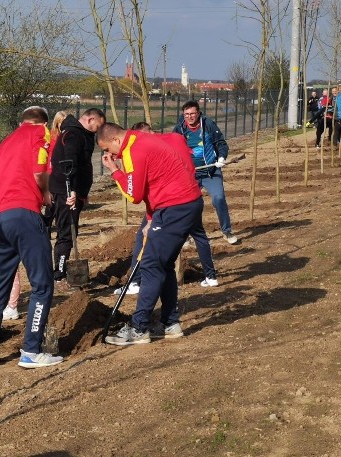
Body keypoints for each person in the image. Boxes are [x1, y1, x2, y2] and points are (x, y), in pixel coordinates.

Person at [98, 122, 203, 345]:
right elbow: (156, 178)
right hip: (183, 204)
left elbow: (133, 194)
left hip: (174, 207)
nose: (109, 154)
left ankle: (139, 328)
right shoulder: (142, 139)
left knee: (151, 265)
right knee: (163, 264)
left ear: (116, 140)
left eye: (108, 149)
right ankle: (169, 323)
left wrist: (115, 171)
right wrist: (150, 218)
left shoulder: (132, 151)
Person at [0, 106, 62, 368]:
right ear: (44, 121)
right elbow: (40, 171)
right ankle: (31, 350)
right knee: (42, 284)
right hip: (25, 213)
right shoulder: (41, 133)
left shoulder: (6, 142)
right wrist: (47, 194)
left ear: (21, 120)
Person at [113, 122, 218, 296]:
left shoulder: (145, 150)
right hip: (191, 198)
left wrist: (115, 171)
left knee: (148, 246)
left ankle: (136, 282)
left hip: (172, 204)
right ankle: (210, 275)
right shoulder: (171, 140)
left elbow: (140, 193)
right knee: (198, 234)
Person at [48, 108, 106, 281]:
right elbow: (69, 162)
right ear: (90, 120)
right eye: (98, 125)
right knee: (66, 232)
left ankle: (61, 271)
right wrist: (71, 190)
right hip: (66, 191)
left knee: (70, 230)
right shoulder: (74, 134)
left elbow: (82, 164)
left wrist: (82, 191)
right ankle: (59, 274)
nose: (99, 130)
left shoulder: (81, 134)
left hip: (74, 190)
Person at [173, 100, 238, 245]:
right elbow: (173, 150)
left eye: (192, 114)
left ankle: (226, 231)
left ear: (198, 113)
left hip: (211, 171)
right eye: (186, 114)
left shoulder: (207, 125)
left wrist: (221, 157)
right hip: (190, 174)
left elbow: (221, 143)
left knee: (219, 198)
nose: (189, 117)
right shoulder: (179, 129)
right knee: (187, 204)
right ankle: (187, 235)